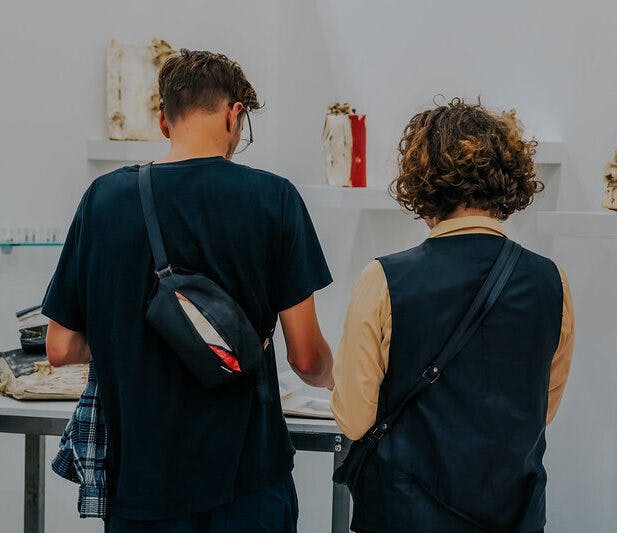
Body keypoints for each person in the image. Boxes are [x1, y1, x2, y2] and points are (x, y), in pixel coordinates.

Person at [43, 49, 334, 532]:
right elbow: (306, 358)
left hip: (141, 488)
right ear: (234, 113)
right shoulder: (274, 199)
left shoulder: (103, 200)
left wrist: (137, 340)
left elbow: (61, 347)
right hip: (247, 484)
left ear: (163, 121)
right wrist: (333, 379)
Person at [332, 98, 575, 533]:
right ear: (507, 178)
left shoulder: (384, 279)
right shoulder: (551, 281)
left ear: (422, 182)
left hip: (404, 513)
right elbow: (542, 407)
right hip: (513, 513)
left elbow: (355, 417)